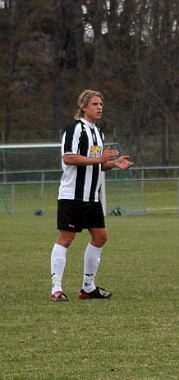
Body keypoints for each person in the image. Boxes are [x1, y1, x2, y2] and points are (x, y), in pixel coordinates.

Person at [49, 90, 133, 302]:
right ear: (84, 107)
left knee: (100, 236)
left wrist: (113, 163)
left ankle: (88, 287)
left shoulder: (98, 133)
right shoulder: (75, 129)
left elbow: (97, 164)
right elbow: (68, 158)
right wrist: (98, 159)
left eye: (101, 104)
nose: (99, 107)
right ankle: (56, 288)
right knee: (66, 238)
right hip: (72, 196)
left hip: (91, 198)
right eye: (95, 104)